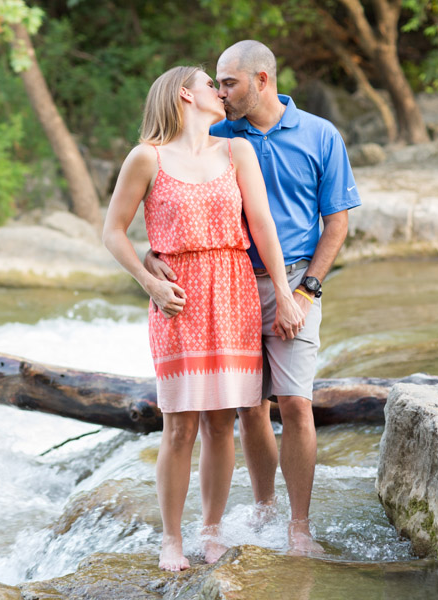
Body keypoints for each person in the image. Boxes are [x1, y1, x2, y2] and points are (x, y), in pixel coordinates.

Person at [144, 41, 361, 555]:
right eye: (215, 84)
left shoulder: (319, 135)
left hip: (295, 282)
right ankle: (264, 511)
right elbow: (174, 204)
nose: (220, 92)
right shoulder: (217, 133)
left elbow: (338, 221)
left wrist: (305, 290)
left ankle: (299, 526)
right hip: (231, 285)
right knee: (247, 408)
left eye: (229, 83)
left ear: (262, 79)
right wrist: (150, 259)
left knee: (296, 403)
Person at [102, 65, 304, 572]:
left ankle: (209, 532)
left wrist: (284, 292)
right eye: (209, 83)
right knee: (178, 427)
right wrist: (150, 281)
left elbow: (262, 227)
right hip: (179, 299)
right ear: (184, 95)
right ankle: (172, 540)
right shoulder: (146, 158)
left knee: (221, 423)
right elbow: (113, 231)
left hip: (235, 289)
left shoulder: (237, 151)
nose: (219, 90)